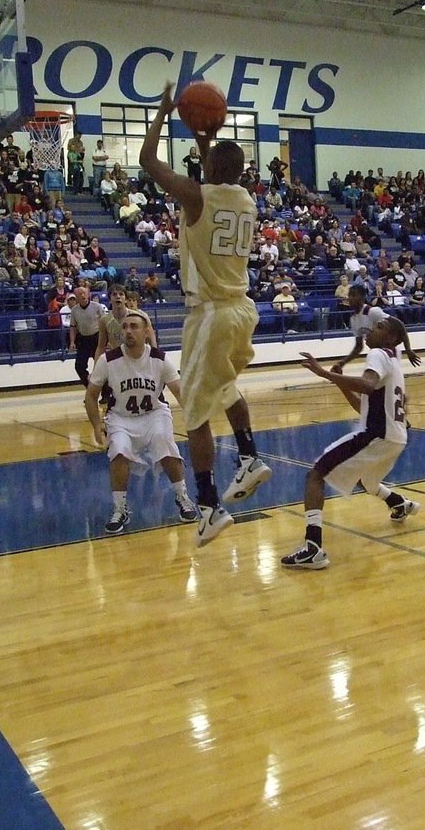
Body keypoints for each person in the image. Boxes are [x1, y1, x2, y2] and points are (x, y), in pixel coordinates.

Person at [140, 82, 270, 546]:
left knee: (194, 413)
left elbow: (148, 163)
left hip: (211, 312)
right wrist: (205, 135)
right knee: (226, 385)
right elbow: (217, 172)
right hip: (243, 310)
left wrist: (160, 113)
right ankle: (251, 456)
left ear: (210, 170)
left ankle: (211, 505)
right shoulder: (246, 200)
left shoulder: (197, 197)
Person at [281, 317, 420, 569]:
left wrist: (323, 374)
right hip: (397, 438)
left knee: (316, 475)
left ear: (389, 339)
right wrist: (339, 382)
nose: (371, 329)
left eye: (379, 327)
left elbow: (366, 386)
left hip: (378, 435)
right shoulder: (393, 361)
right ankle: (399, 503)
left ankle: (313, 548)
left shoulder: (378, 353)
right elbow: (363, 406)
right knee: (367, 480)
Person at [84, 311, 200, 534]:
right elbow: (90, 395)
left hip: (154, 413)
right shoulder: (108, 360)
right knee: (118, 452)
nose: (128, 330)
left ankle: (182, 497)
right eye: (125, 326)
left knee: (164, 443)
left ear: (147, 332)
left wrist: (193, 418)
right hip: (121, 418)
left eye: (134, 326)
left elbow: (179, 391)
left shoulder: (159, 358)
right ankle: (120, 509)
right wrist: (96, 424)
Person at [331, 283, 420, 374]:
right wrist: (342, 362)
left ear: (362, 298)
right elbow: (359, 347)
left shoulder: (373, 311)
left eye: (353, 295)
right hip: (377, 353)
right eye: (349, 295)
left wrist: (408, 349)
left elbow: (399, 324)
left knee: (376, 383)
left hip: (389, 351)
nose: (349, 298)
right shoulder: (353, 319)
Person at [96, 282, 155, 357]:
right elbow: (101, 346)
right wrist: (96, 366)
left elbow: (151, 338)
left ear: (125, 299)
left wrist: (156, 357)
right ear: (110, 300)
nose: (118, 297)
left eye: (121, 294)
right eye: (114, 294)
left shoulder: (140, 316)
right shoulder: (104, 320)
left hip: (138, 357)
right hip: (118, 359)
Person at [67, 285, 106, 385]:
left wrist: (106, 339)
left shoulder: (97, 307)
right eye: (80, 294)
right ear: (76, 297)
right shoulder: (75, 310)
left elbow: (106, 323)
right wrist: (72, 342)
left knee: (101, 365)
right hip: (83, 339)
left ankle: (106, 392)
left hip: (97, 338)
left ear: (88, 295)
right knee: (79, 366)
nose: (83, 295)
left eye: (84, 293)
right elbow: (73, 327)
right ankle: (89, 388)